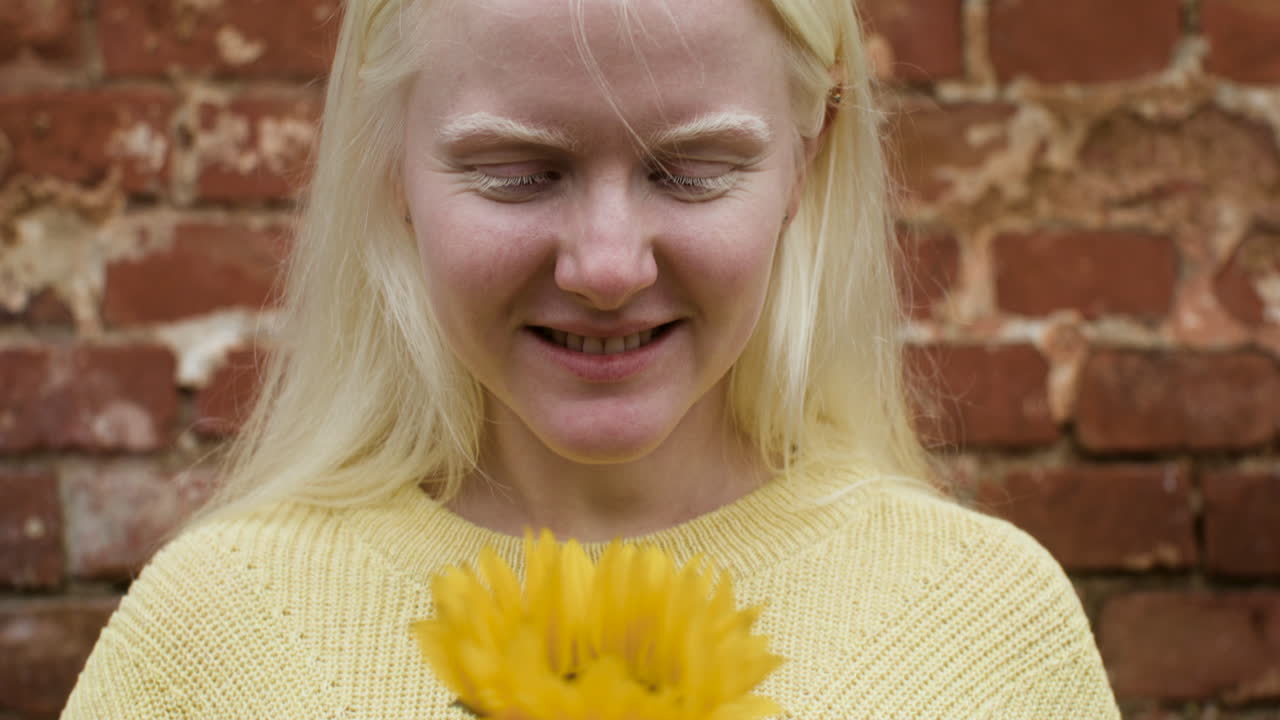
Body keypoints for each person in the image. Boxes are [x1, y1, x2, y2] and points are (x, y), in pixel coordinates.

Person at [62, 0, 1121, 717]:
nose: (606, 266)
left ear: (809, 152)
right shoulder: (218, 639)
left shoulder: (978, 633)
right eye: (517, 173)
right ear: (389, 162)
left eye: (691, 169)